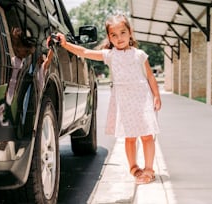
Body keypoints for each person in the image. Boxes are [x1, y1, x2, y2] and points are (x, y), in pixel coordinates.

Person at [54, 14, 161, 185]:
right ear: (109, 37)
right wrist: (66, 44)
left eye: (123, 33)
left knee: (147, 135)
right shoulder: (109, 55)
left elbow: (150, 77)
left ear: (130, 33)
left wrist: (156, 96)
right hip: (124, 101)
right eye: (114, 35)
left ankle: (149, 169)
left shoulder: (140, 54)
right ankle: (134, 167)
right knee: (130, 136)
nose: (119, 38)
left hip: (143, 98)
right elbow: (84, 52)